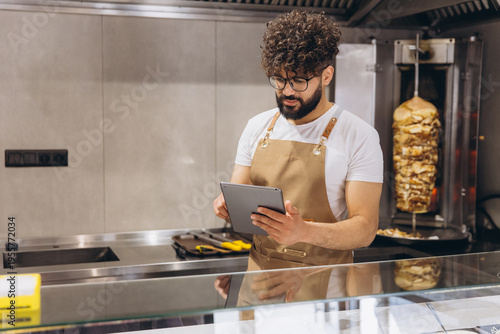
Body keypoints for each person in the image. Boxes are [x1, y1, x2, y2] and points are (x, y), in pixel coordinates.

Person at [213, 10, 383, 302]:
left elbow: (365, 229)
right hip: (259, 285)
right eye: (278, 80)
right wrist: (228, 206)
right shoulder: (257, 127)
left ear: (326, 74)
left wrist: (303, 231)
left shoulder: (359, 135)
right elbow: (241, 196)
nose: (287, 91)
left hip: (324, 289)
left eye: (299, 81)